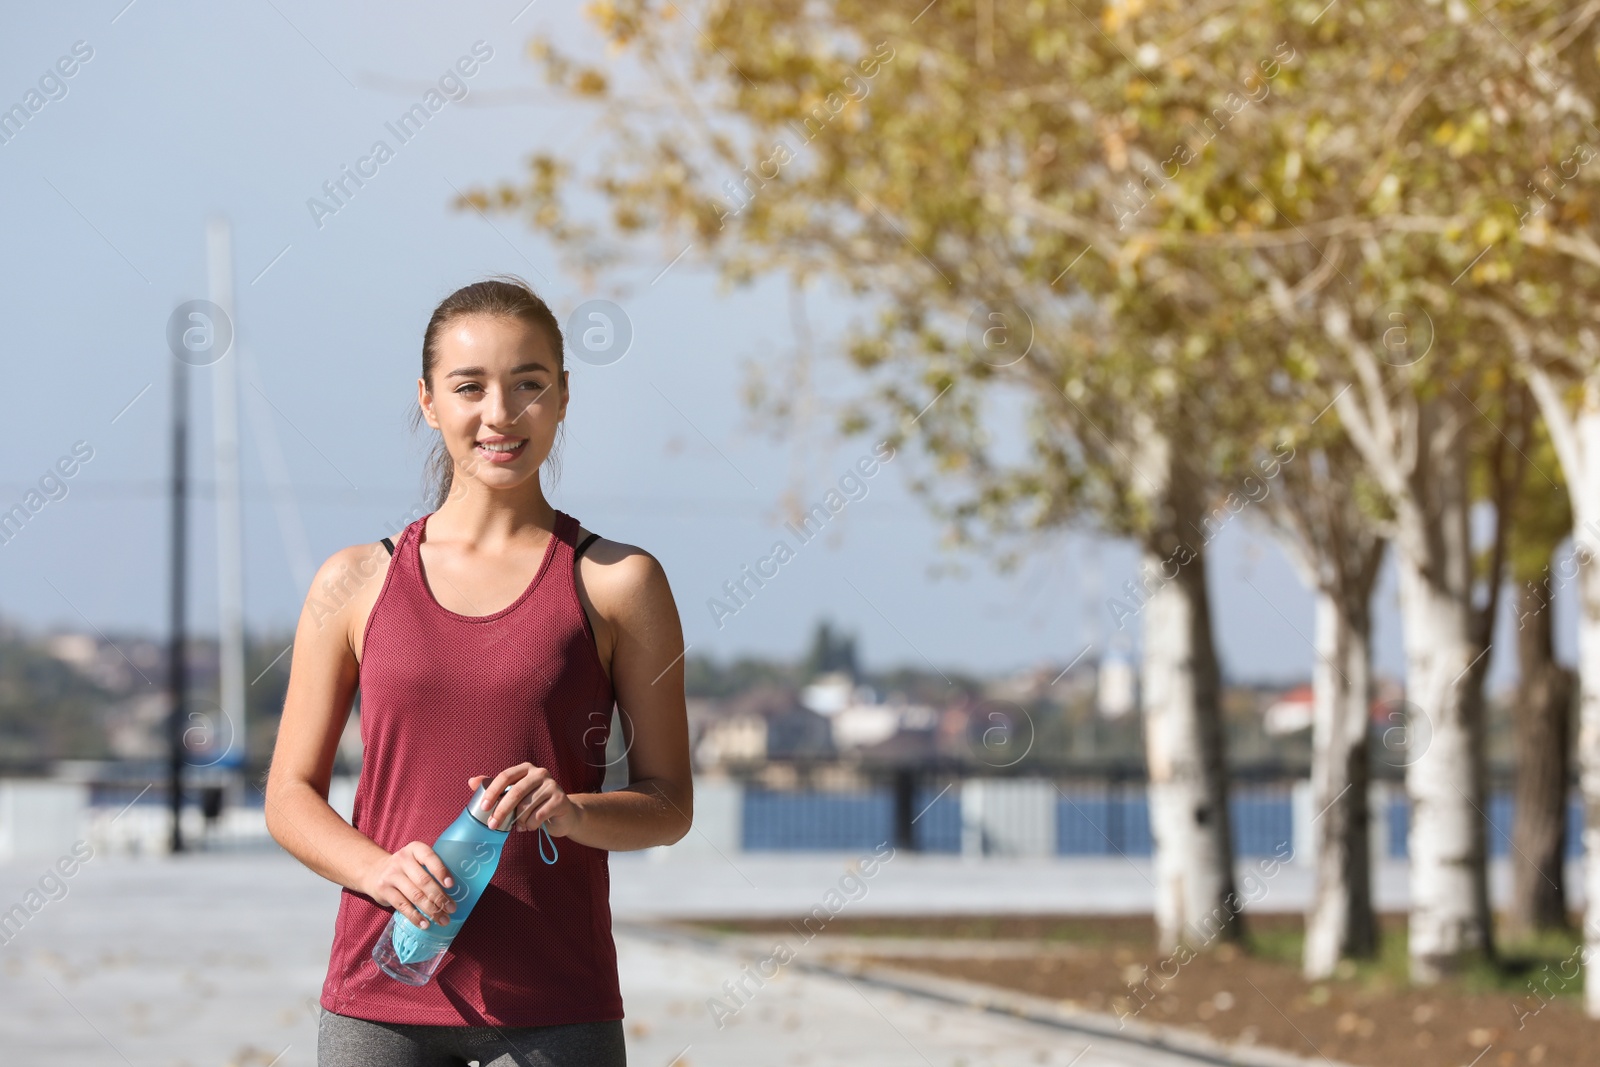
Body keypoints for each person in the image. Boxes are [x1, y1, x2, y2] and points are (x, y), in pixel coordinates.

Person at [264, 276, 693, 1067]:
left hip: (561, 1002)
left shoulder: (618, 581)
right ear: (428, 401)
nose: (500, 413)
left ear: (564, 397)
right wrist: (381, 869)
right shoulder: (352, 583)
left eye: (529, 384)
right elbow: (289, 795)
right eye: (470, 387)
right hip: (381, 996)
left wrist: (571, 811)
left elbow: (669, 803)